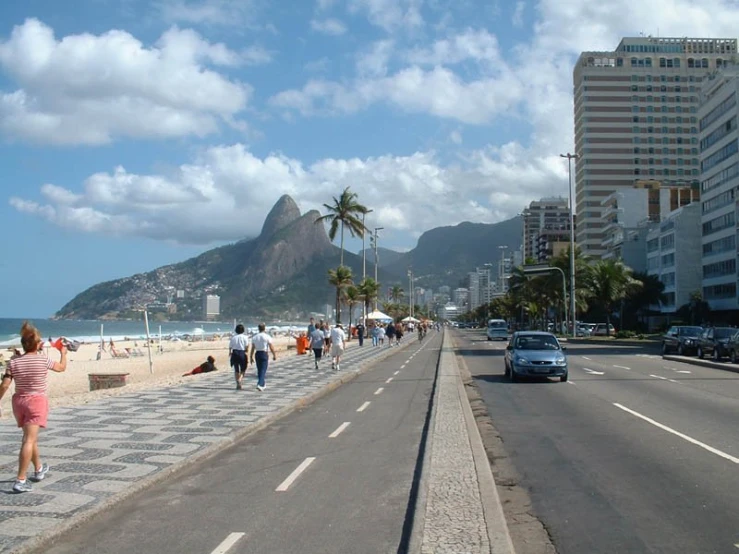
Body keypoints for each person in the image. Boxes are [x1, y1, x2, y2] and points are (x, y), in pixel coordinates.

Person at [0, 322, 67, 493]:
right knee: (28, 440)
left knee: (30, 437)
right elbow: (61, 368)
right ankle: (20, 480)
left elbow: (5, 384)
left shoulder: (13, 362)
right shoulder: (43, 359)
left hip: (19, 402)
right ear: (38, 344)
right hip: (36, 401)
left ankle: (38, 469)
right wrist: (63, 353)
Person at [250, 323, 276, 391]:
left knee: (259, 370)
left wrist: (251, 356)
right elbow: (271, 346)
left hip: (257, 353)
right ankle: (260, 384)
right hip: (264, 353)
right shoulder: (267, 336)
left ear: (258, 328)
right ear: (264, 328)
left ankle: (263, 384)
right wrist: (274, 355)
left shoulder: (255, 337)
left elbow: (253, 348)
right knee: (263, 369)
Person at [229, 324, 250, 390]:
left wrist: (229, 353)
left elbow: (230, 347)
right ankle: (240, 379)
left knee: (236, 369)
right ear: (243, 330)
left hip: (234, 353)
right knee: (243, 368)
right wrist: (246, 351)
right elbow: (247, 346)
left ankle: (238, 384)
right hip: (241, 353)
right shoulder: (245, 337)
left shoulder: (233, 337)